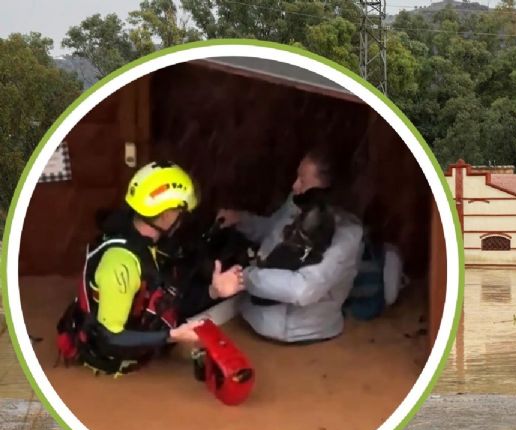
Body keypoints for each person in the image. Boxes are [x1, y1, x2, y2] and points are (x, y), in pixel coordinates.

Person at [55, 161, 246, 377]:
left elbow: (166, 299)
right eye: (180, 213)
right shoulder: (120, 264)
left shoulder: (153, 244)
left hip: (141, 326)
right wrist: (171, 336)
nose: (183, 219)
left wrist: (214, 292)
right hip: (111, 359)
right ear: (166, 215)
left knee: (207, 299)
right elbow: (109, 338)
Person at [217, 150, 364, 343]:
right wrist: (240, 220)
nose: (294, 186)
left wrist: (244, 278)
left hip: (297, 332)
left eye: (303, 181)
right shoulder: (299, 203)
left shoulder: (346, 236)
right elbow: (273, 233)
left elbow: (303, 289)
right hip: (255, 314)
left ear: (327, 189)